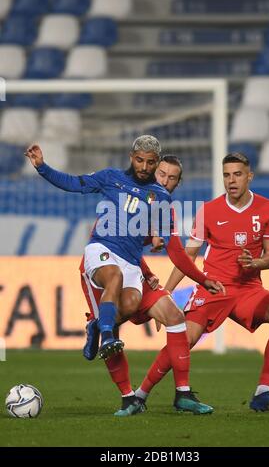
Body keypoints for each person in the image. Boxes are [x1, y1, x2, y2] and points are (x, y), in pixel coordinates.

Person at [135, 152, 269, 413]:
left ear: (249, 176)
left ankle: (263, 393)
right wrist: (166, 292)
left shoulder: (268, 209)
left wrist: (256, 264)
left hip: (248, 290)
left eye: (237, 174)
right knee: (184, 339)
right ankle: (140, 395)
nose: (231, 180)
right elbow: (188, 257)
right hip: (213, 288)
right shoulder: (208, 210)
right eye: (227, 175)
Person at [80, 155, 225, 415]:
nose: (165, 181)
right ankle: (128, 397)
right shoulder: (128, 197)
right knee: (110, 327)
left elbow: (174, 252)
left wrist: (152, 273)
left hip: (135, 270)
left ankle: (183, 394)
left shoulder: (163, 208)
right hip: (104, 263)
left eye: (171, 178)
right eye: (161, 174)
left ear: (177, 183)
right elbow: (114, 243)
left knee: (174, 315)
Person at [25, 135, 173, 363]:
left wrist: (159, 239)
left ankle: (95, 325)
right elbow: (74, 183)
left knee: (131, 305)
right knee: (114, 277)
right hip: (102, 247)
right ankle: (106, 336)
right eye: (140, 160)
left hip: (131, 260)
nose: (144, 167)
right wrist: (42, 167)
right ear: (131, 157)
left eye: (150, 162)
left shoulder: (161, 195)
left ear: (157, 162)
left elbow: (164, 229)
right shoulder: (110, 177)